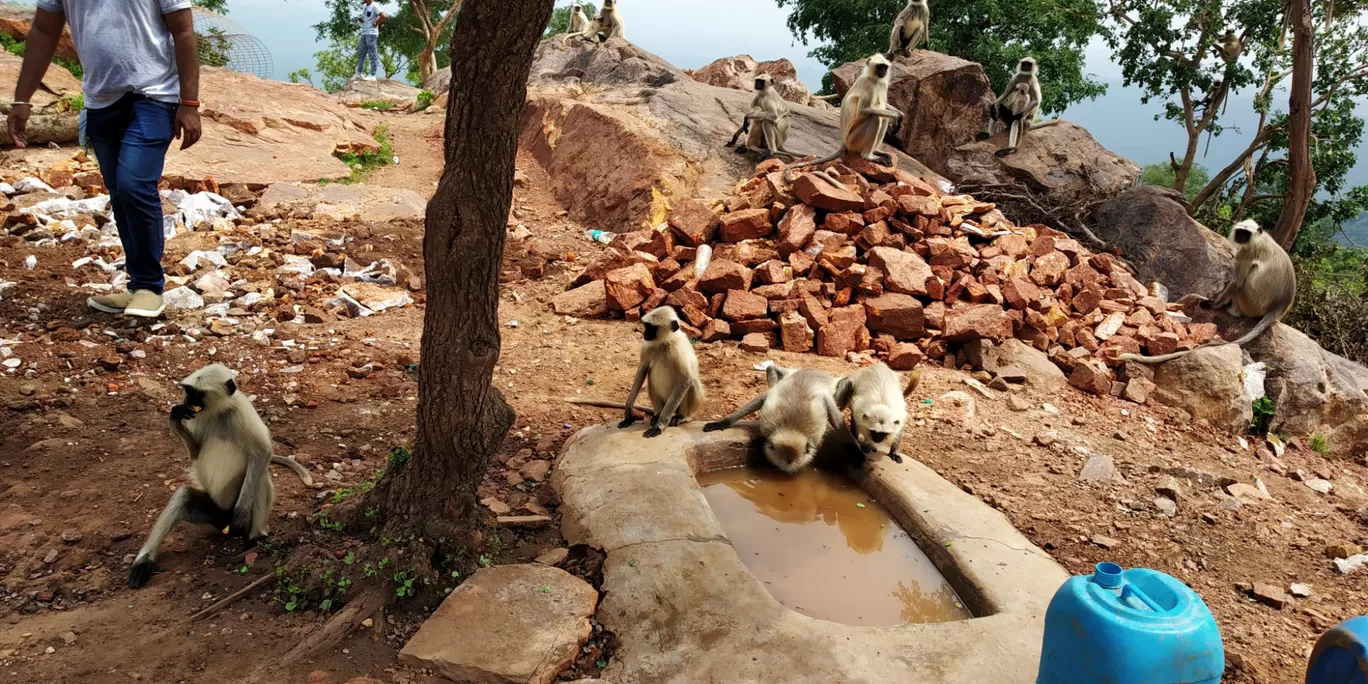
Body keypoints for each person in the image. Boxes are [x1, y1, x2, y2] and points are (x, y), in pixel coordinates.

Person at [8, 0, 202, 319]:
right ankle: (138, 286)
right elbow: (43, 30)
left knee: (134, 184)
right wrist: (22, 98)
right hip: (100, 102)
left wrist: (190, 103)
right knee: (120, 194)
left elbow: (183, 30)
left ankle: (150, 289)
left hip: (155, 97)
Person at [356, 0, 386, 82]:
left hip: (371, 33)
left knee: (372, 53)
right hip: (364, 32)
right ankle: (359, 72)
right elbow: (366, 17)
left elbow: (383, 16)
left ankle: (372, 75)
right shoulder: (365, 6)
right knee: (361, 51)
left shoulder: (375, 5)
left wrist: (376, 22)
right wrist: (362, 20)